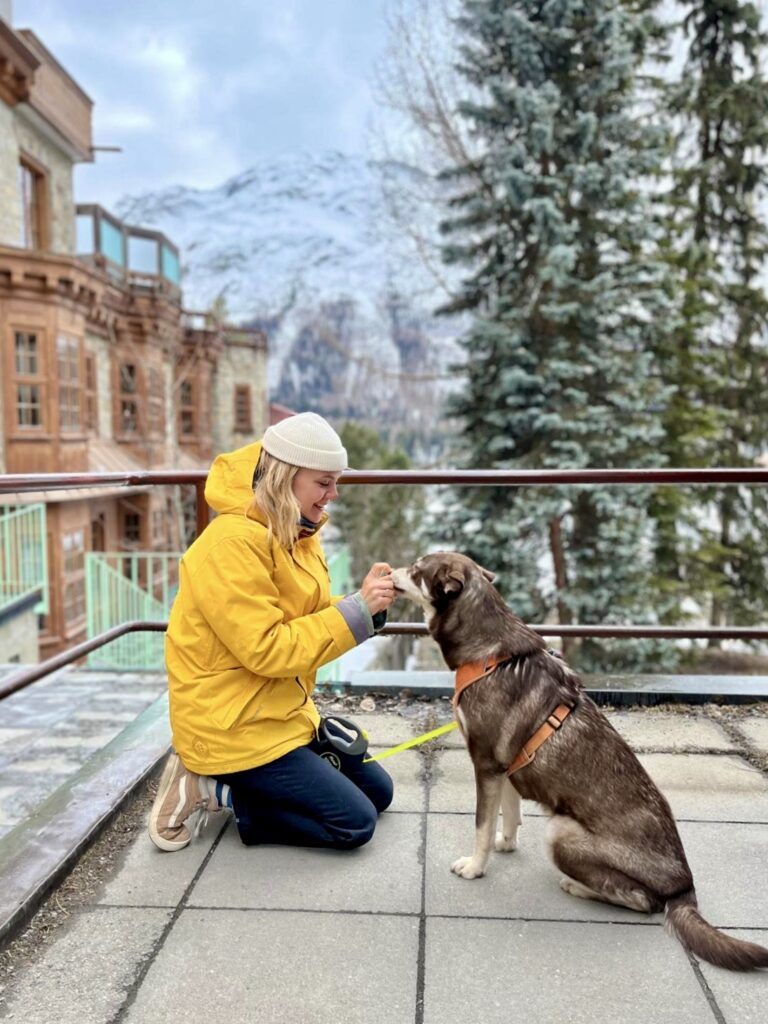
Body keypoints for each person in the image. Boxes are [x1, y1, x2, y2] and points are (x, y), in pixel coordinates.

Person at [148, 412, 396, 853]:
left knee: (379, 793)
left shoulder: (296, 530)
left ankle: (254, 780)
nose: (333, 495)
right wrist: (354, 614)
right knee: (354, 825)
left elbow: (307, 616)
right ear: (285, 477)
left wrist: (362, 606)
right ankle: (209, 786)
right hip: (230, 725)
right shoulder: (230, 545)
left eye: (335, 482)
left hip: (280, 713)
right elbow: (268, 649)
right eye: (324, 483)